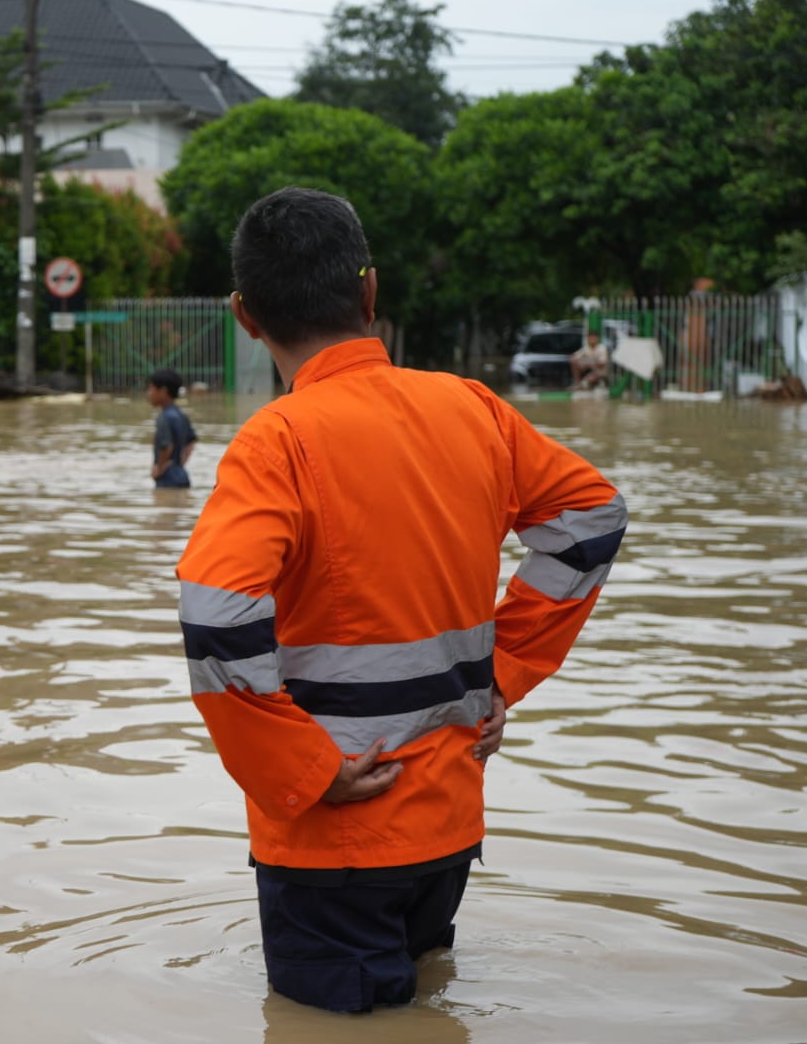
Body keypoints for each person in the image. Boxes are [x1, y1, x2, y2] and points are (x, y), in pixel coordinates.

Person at [176, 187, 627, 1015]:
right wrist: (505, 672)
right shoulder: (474, 409)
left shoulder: (276, 441)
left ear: (244, 315)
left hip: (332, 833)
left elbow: (215, 613)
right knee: (421, 1010)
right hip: (447, 822)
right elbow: (590, 520)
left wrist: (303, 770)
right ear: (370, 292)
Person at [147, 367, 196, 489]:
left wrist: (159, 468)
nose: (149, 394)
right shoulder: (181, 415)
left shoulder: (164, 417)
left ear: (163, 391)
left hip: (167, 480)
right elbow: (191, 442)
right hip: (182, 476)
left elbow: (166, 447)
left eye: (151, 389)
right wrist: (179, 463)